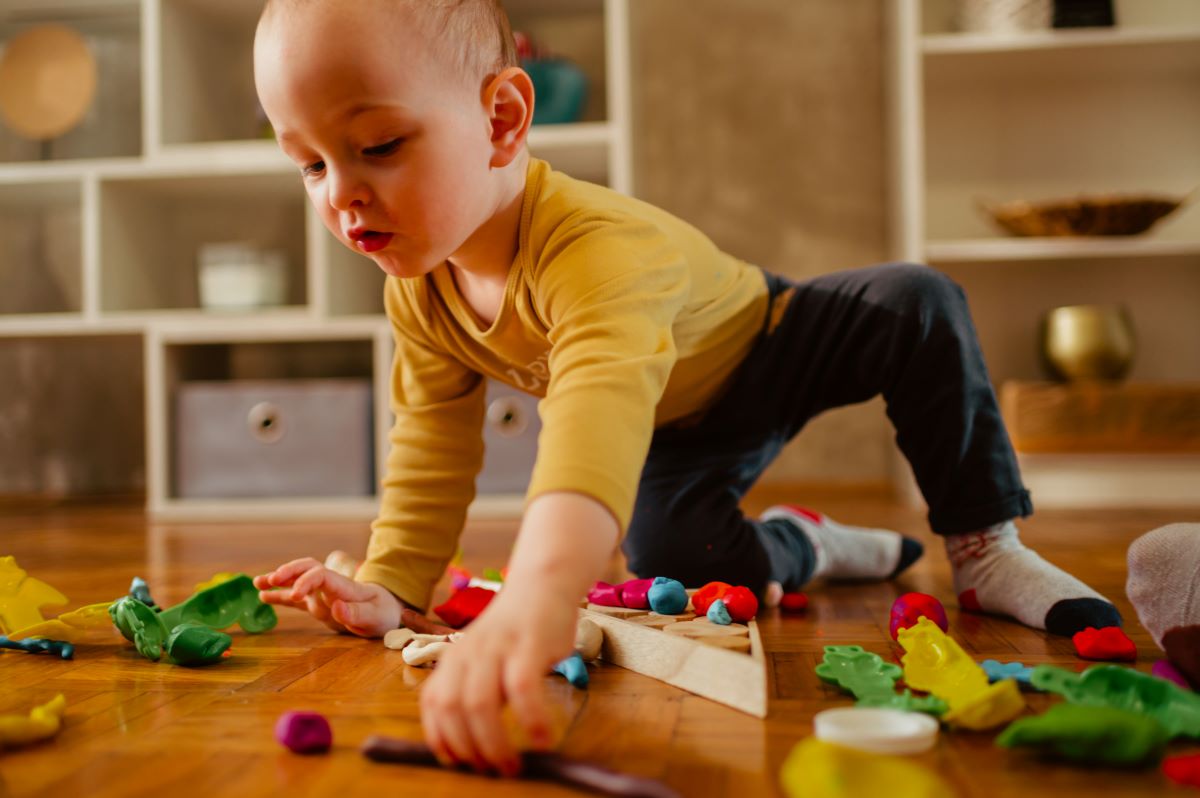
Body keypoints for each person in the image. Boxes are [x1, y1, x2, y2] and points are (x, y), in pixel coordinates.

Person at [250, 0, 1120, 776]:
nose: (343, 196)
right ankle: (807, 548)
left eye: (377, 147)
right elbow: (431, 440)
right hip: (671, 430)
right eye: (310, 165)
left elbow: (591, 416)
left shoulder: (592, 250)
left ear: (503, 120)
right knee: (678, 556)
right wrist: (396, 587)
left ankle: (986, 548)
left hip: (767, 341)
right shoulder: (419, 290)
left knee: (916, 302)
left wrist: (541, 601)